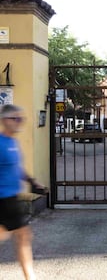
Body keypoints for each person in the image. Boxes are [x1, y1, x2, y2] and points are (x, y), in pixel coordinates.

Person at [0, 104, 48, 280]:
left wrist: (32, 181)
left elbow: (16, 168)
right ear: (5, 120)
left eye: (21, 118)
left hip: (11, 198)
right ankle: (30, 276)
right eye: (16, 118)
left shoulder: (13, 142)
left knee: (18, 235)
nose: (20, 122)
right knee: (23, 235)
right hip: (3, 198)